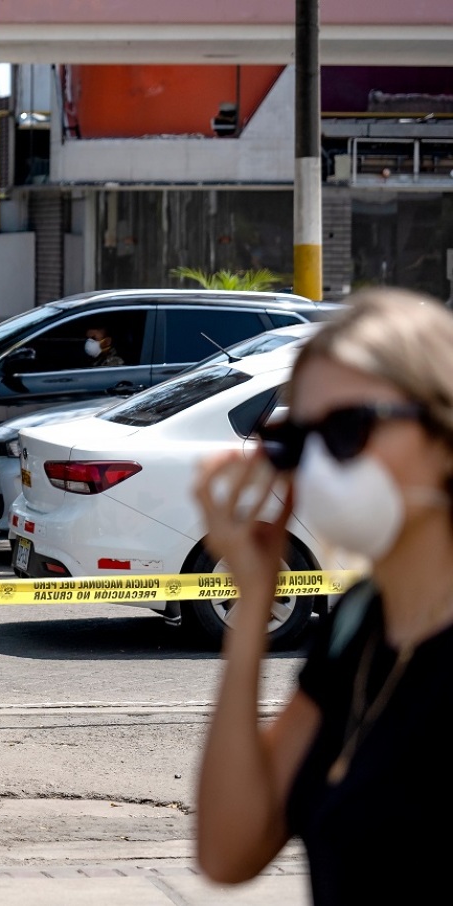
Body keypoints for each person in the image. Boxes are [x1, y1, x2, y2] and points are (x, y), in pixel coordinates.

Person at [193, 288, 453, 904]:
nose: (317, 467)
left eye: (347, 428)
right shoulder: (362, 622)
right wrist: (254, 602)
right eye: (296, 440)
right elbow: (229, 851)